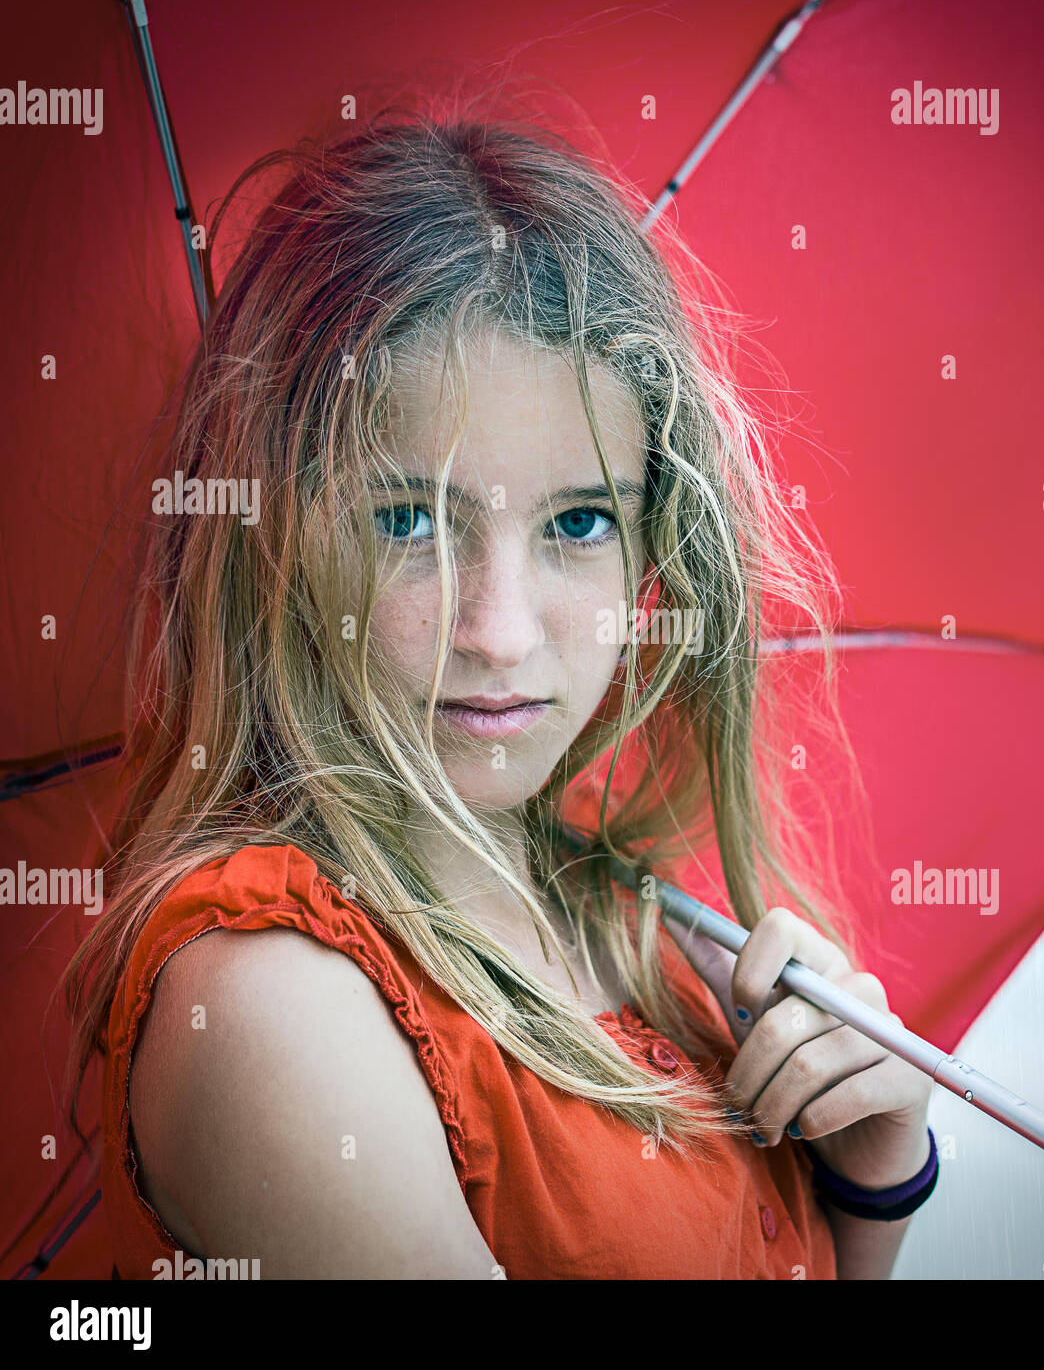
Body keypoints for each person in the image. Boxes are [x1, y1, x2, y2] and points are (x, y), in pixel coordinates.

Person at [61, 103, 935, 1279]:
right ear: (274, 533)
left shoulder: (625, 924)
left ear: (654, 545)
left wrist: (872, 1177)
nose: (501, 633)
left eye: (580, 521)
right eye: (409, 520)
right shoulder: (271, 1010)